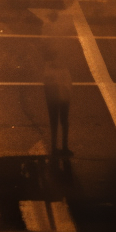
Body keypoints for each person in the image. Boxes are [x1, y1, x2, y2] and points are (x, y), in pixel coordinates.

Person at [42, 10, 73, 155]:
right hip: (61, 78)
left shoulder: (48, 30)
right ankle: (63, 146)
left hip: (52, 79)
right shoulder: (62, 35)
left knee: (54, 116)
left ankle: (55, 146)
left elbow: (45, 49)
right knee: (63, 116)